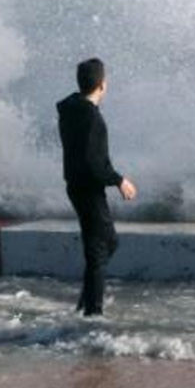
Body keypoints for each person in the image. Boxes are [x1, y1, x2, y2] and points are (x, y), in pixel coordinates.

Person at [56, 57, 137, 317]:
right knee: (100, 248)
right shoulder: (92, 118)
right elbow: (93, 162)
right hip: (88, 189)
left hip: (77, 186)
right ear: (102, 85)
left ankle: (88, 297)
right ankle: (94, 313)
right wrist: (119, 180)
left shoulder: (71, 108)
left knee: (107, 243)